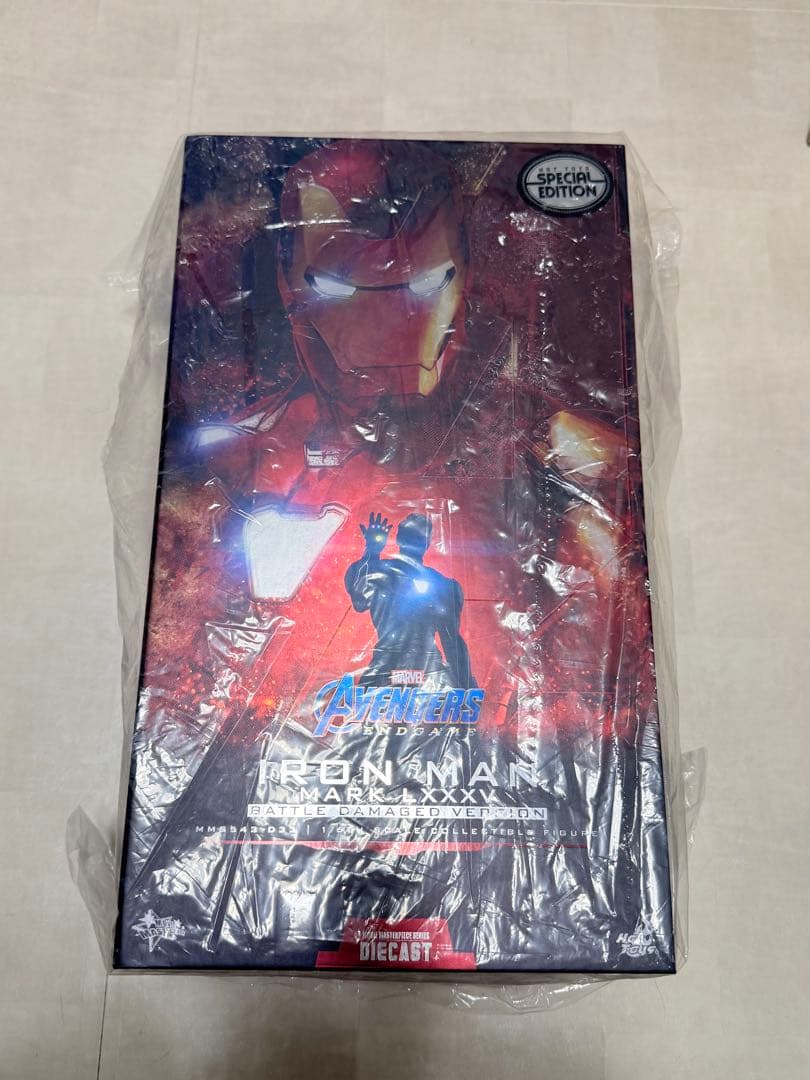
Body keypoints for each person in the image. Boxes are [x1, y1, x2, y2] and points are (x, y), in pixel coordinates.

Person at [344, 511, 476, 689]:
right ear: (400, 539)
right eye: (410, 535)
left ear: (426, 543)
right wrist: (371, 553)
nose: (414, 541)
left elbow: (452, 640)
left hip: (422, 671)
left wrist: (467, 686)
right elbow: (359, 601)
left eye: (418, 537)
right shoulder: (381, 573)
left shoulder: (442, 585)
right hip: (393, 668)